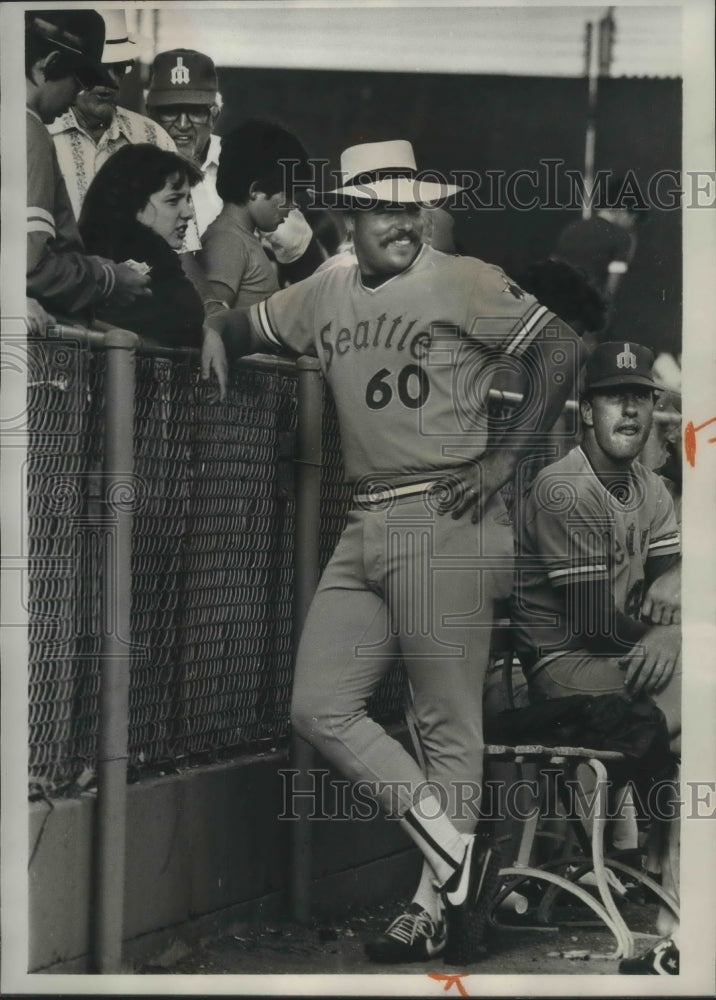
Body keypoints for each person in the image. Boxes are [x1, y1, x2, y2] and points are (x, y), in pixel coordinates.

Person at [204, 139, 582, 965]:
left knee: (446, 725)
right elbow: (244, 321)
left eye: (410, 205)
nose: (402, 221)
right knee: (320, 704)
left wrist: (504, 457)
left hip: (448, 512)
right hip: (366, 519)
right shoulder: (326, 289)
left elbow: (562, 349)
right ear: (348, 216)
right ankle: (458, 855)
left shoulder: (465, 277)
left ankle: (430, 907)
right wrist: (212, 329)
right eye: (383, 207)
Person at [509, 341, 681, 975]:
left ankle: (670, 892)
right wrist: (672, 639)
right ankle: (674, 903)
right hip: (566, 668)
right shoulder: (564, 487)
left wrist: (677, 614)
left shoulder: (650, 488)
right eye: (615, 396)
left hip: (619, 662)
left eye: (640, 397)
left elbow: (672, 583)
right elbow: (591, 622)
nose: (630, 411)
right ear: (586, 410)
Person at [145, 49, 324, 279]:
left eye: (195, 111)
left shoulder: (245, 159)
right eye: (169, 111)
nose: (182, 124)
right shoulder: (132, 167)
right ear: (150, 114)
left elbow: (300, 251)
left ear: (214, 115)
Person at [25, 9, 150, 319]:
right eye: (78, 79)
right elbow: (30, 266)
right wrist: (109, 279)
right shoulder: (30, 130)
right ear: (48, 64)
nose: (74, 96)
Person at [48, 10, 176, 222]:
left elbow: (183, 243)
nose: (109, 80)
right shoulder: (41, 132)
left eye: (118, 68)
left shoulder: (154, 138)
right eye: (96, 69)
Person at [79, 144, 205, 348]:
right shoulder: (143, 262)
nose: (188, 212)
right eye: (173, 201)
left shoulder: (88, 255)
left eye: (188, 200)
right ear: (132, 203)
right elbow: (187, 318)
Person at [199, 120, 312, 309]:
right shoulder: (227, 242)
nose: (293, 205)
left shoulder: (240, 238)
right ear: (255, 190)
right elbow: (212, 321)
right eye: (289, 194)